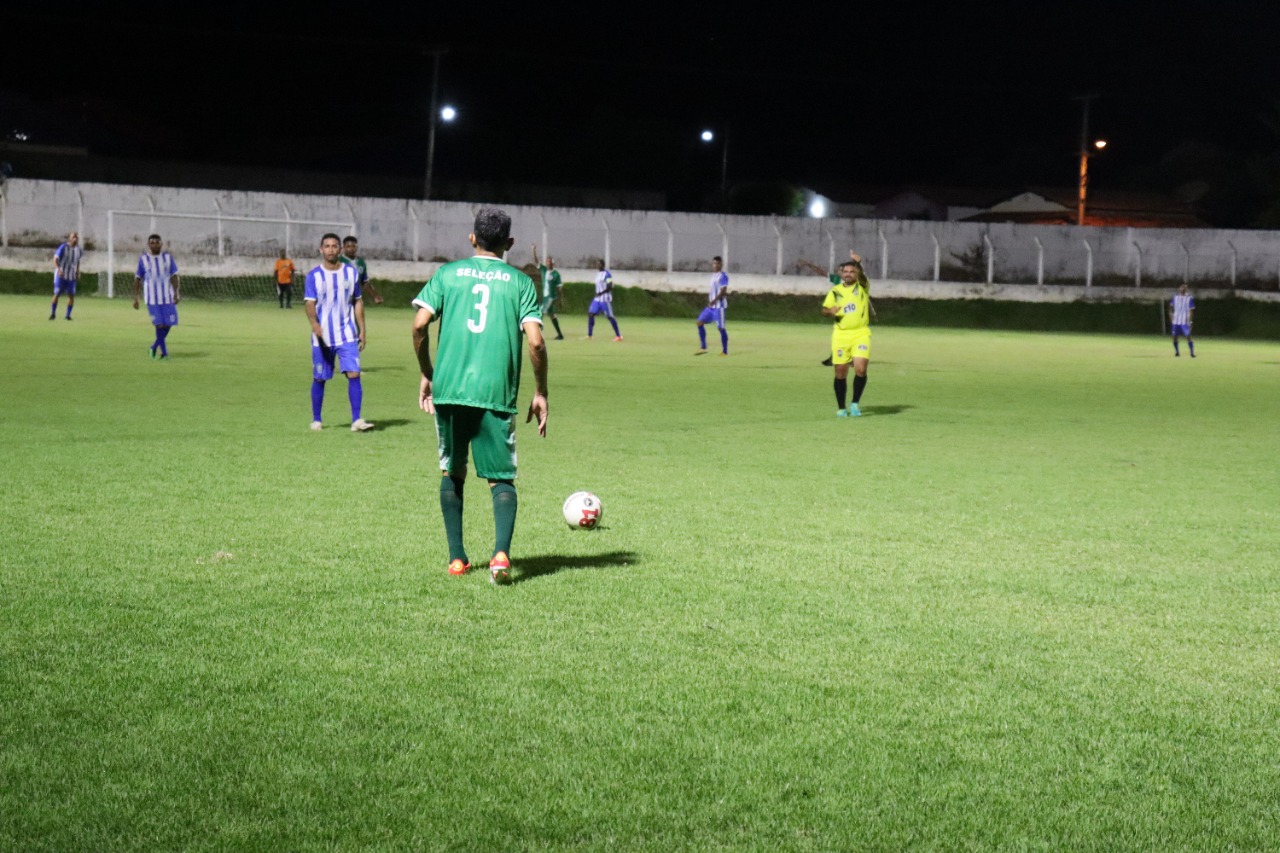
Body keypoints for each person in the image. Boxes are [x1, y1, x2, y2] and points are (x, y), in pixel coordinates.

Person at [412, 207, 547, 585]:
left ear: (472, 238)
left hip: (450, 389)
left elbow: (419, 325)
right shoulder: (520, 283)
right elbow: (535, 342)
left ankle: (457, 559)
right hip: (495, 393)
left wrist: (427, 372)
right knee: (500, 478)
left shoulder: (447, 274)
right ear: (510, 243)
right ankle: (501, 555)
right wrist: (541, 392)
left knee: (452, 471)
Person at [305, 233, 374, 432]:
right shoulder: (314, 276)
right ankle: (317, 419)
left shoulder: (351, 274)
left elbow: (358, 302)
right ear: (321, 250)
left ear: (340, 249)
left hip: (347, 334)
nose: (331, 249)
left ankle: (357, 420)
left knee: (354, 374)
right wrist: (314, 324)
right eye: (327, 246)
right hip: (322, 337)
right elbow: (309, 304)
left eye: (335, 246)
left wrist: (362, 330)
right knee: (320, 377)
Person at [799, 252, 874, 417]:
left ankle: (855, 403)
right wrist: (830, 311)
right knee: (840, 373)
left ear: (857, 273)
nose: (848, 274)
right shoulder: (836, 289)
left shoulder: (862, 285)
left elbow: (861, 276)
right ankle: (841, 407)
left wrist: (858, 263)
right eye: (845, 271)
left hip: (861, 333)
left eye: (852, 271)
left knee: (861, 369)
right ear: (841, 273)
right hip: (841, 335)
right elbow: (824, 309)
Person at [799, 251, 876, 367]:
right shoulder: (837, 280)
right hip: (842, 307)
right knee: (840, 334)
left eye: (842, 270)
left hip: (855, 309)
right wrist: (809, 265)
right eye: (841, 270)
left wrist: (871, 312)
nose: (840, 272)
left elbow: (864, 288)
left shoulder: (858, 283)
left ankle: (848, 357)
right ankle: (838, 357)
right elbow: (822, 272)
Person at [132, 234, 181, 359]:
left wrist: (176, 292)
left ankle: (153, 347)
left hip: (167, 297)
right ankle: (164, 353)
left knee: (169, 324)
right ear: (148, 245)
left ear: (161, 244)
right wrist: (136, 298)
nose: (154, 244)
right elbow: (138, 279)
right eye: (152, 242)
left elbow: (174, 276)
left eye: (157, 242)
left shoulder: (167, 258)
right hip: (152, 299)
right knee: (159, 325)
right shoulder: (143, 260)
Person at [694, 255, 729, 355]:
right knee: (699, 322)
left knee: (721, 328)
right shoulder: (713, 276)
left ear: (721, 264)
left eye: (717, 263)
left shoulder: (723, 276)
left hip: (719, 307)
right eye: (714, 263)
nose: (715, 265)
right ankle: (703, 347)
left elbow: (723, 291)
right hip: (711, 307)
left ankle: (725, 351)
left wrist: (714, 300)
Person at [531, 243, 564, 340]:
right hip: (545, 297)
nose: (547, 262)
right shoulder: (544, 270)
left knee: (540, 313)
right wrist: (533, 250)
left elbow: (559, 288)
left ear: (553, 263)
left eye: (549, 261)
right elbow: (536, 261)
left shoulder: (556, 274)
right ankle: (560, 335)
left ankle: (536, 334)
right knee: (552, 315)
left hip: (550, 298)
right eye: (547, 261)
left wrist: (559, 299)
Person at [341, 235, 383, 305]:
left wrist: (375, 296)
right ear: (343, 248)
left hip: (356, 298)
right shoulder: (338, 261)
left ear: (356, 248)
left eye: (353, 246)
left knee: (358, 315)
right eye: (348, 246)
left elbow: (365, 282)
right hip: (340, 298)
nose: (351, 249)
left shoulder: (361, 262)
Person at [50, 231, 82, 320]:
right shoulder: (63, 247)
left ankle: (67, 315)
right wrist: (59, 269)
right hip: (61, 275)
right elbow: (55, 259)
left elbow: (78, 261)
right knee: (57, 294)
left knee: (71, 295)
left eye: (76, 237)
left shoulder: (78, 249)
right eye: (73, 237)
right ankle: (53, 314)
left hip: (71, 276)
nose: (75, 239)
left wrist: (77, 272)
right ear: (70, 239)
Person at [588, 258, 622, 341]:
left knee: (610, 317)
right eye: (597, 264)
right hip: (597, 299)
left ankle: (618, 336)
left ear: (603, 265)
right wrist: (598, 294)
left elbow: (610, 286)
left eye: (599, 264)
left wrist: (601, 293)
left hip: (605, 299)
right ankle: (590, 335)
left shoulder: (607, 274)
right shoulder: (598, 274)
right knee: (590, 314)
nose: (598, 265)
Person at [1169, 283, 1195, 357]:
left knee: (1188, 336)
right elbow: (1170, 308)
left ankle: (1192, 353)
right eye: (1182, 287)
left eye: (1185, 288)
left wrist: (1190, 321)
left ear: (1187, 289)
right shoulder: (1175, 297)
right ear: (1179, 288)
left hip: (1184, 322)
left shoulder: (1189, 298)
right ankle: (1177, 352)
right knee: (1174, 337)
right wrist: (1171, 317)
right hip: (1176, 321)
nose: (1183, 289)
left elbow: (1191, 310)